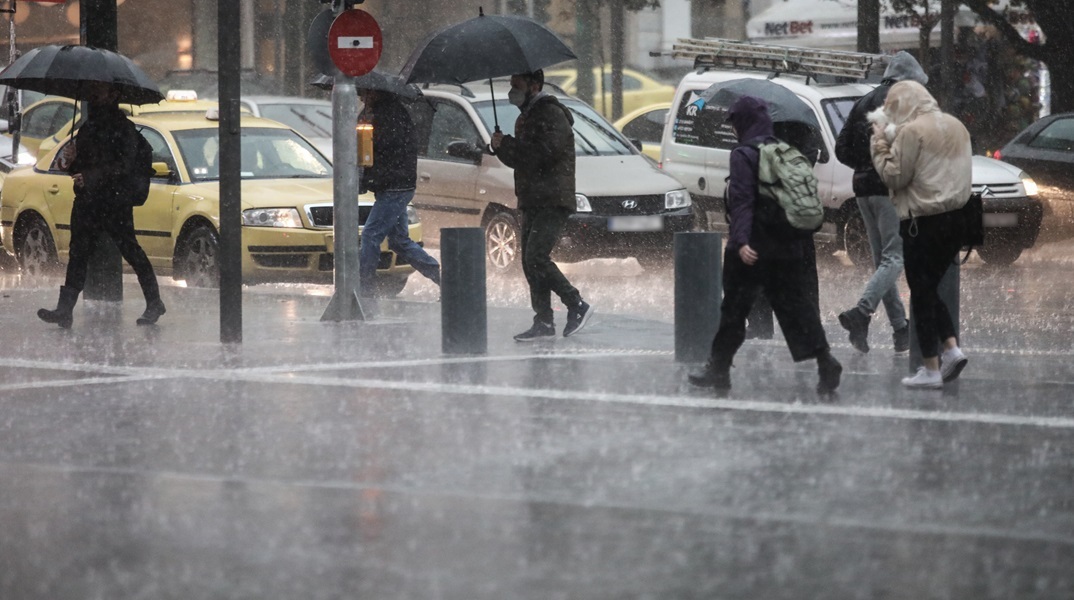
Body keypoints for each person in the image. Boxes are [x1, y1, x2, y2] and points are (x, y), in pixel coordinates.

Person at [689, 96, 841, 394]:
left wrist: (741, 241)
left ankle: (718, 370)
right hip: (788, 245)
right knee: (797, 308)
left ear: (743, 122)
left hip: (754, 248)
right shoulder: (783, 151)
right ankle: (826, 360)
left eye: (734, 123)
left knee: (733, 310)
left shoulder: (744, 154)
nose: (732, 130)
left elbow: (743, 202)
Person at [37, 81, 165, 329]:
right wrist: (72, 162)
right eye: (92, 90)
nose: (93, 94)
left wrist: (91, 176)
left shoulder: (124, 129)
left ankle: (154, 302)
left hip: (114, 202)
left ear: (114, 94)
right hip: (87, 202)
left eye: (99, 90)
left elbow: (124, 167)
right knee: (78, 253)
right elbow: (81, 168)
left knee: (130, 250)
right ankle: (65, 310)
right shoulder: (88, 127)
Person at [870, 80, 972, 389]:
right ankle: (951, 349)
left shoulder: (913, 131)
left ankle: (931, 367)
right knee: (928, 289)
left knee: (922, 291)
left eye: (894, 108)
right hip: (958, 220)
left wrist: (879, 144)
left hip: (923, 222)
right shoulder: (957, 126)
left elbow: (894, 176)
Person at [834, 51, 928, 354]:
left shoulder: (864, 100)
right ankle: (861, 313)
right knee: (895, 257)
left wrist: (864, 165)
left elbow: (841, 148)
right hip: (890, 188)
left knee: (882, 260)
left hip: (862, 188)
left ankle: (901, 329)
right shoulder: (906, 101)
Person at [491, 70, 593, 341]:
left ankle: (576, 304)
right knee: (528, 261)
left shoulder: (550, 114)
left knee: (536, 257)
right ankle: (543, 320)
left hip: (552, 198)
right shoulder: (527, 116)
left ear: (534, 86)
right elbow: (521, 160)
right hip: (532, 199)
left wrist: (510, 145)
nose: (512, 90)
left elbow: (543, 155)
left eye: (517, 85)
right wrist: (501, 147)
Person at [357, 88, 441, 299]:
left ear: (375, 93)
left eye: (364, 93)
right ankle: (443, 279)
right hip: (393, 185)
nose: (361, 98)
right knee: (398, 241)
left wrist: (368, 129)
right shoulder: (383, 113)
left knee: (370, 235)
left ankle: (363, 288)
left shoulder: (390, 115)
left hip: (395, 187)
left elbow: (381, 149)